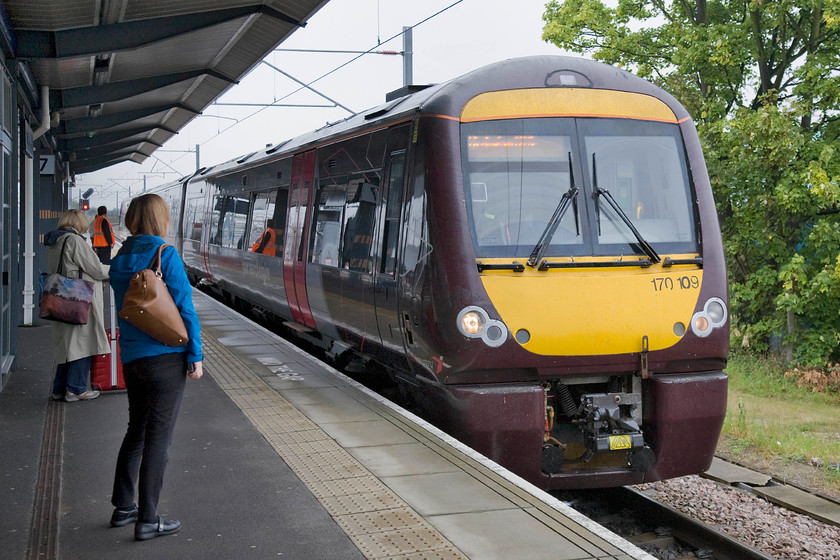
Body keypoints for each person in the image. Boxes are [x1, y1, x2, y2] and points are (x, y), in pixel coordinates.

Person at [108, 193, 203, 541]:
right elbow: (185, 307)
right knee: (158, 438)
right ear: (161, 219)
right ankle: (148, 519)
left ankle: (123, 506)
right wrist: (196, 355)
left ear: (133, 218)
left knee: (137, 430)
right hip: (164, 357)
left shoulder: (121, 257)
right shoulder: (165, 254)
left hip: (132, 358)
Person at [45, 209, 110, 402]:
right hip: (78, 299)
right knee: (82, 343)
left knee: (67, 346)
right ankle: (76, 389)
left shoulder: (55, 241)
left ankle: (59, 389)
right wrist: (116, 268)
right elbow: (96, 269)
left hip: (60, 297)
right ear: (79, 223)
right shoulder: (74, 241)